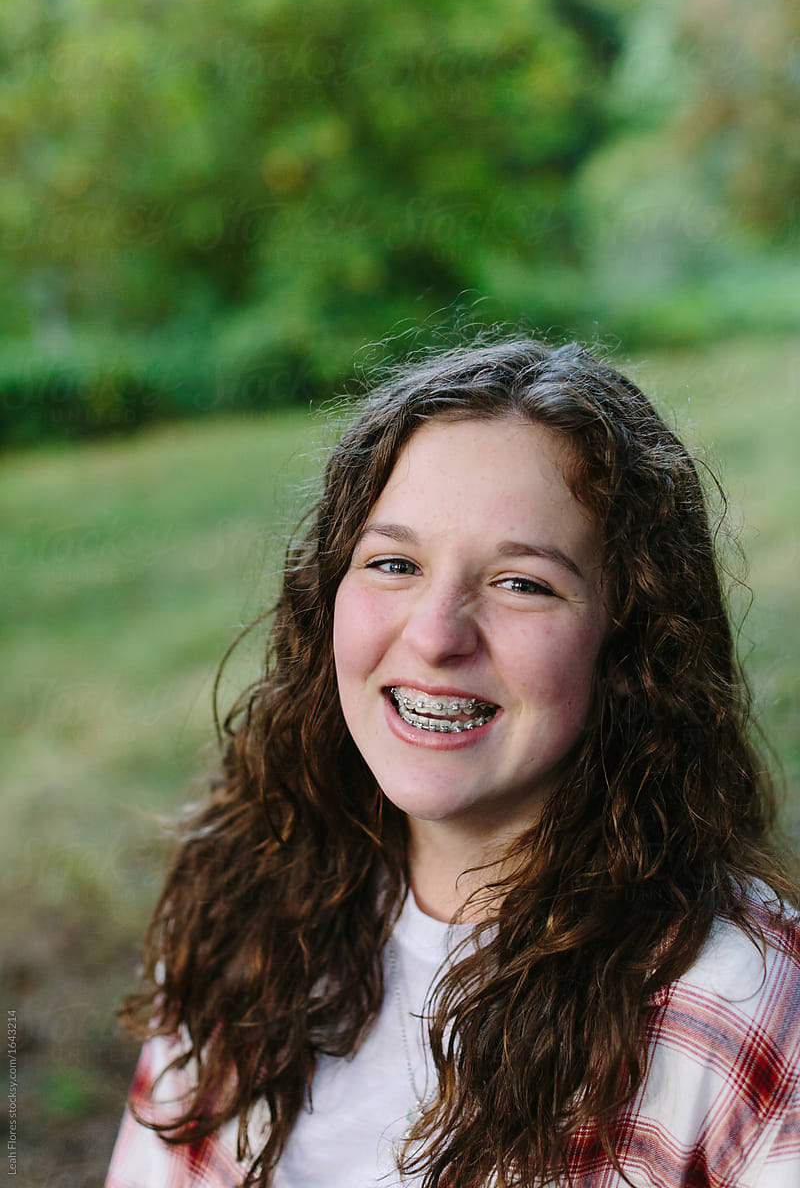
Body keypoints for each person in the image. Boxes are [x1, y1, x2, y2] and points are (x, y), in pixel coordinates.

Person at [106, 337, 800, 1188]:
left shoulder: (738, 1001)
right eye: (394, 563)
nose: (436, 635)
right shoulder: (242, 905)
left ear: (631, 641)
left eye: (522, 583)